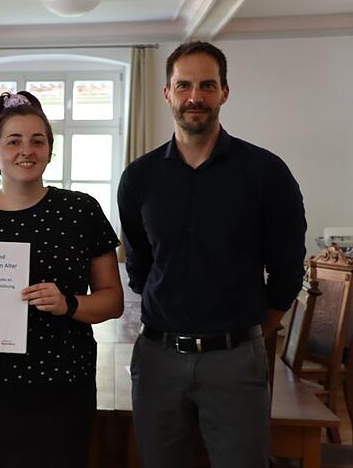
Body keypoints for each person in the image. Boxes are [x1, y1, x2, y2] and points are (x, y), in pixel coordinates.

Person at [118, 41, 306, 468]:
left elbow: (287, 273)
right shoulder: (139, 178)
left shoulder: (266, 173)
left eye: (207, 85)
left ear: (224, 91)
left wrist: (247, 335)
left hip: (236, 361)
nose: (194, 97)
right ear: (167, 93)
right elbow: (141, 264)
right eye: (183, 85)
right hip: (157, 360)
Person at [0, 91, 124, 468]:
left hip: (59, 388)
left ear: (50, 149)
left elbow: (112, 300)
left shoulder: (81, 210)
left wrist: (69, 303)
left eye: (38, 140)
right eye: (13, 141)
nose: (26, 150)